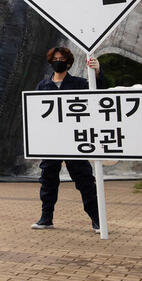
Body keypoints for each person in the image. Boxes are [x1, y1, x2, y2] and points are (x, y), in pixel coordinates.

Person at [31, 46, 105, 234]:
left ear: (69, 62)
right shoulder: (43, 86)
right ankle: (46, 218)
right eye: (55, 58)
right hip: (51, 141)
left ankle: (97, 220)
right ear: (50, 61)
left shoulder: (79, 83)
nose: (58, 61)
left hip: (74, 140)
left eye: (62, 58)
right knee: (48, 179)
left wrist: (97, 73)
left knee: (84, 179)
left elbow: (99, 96)